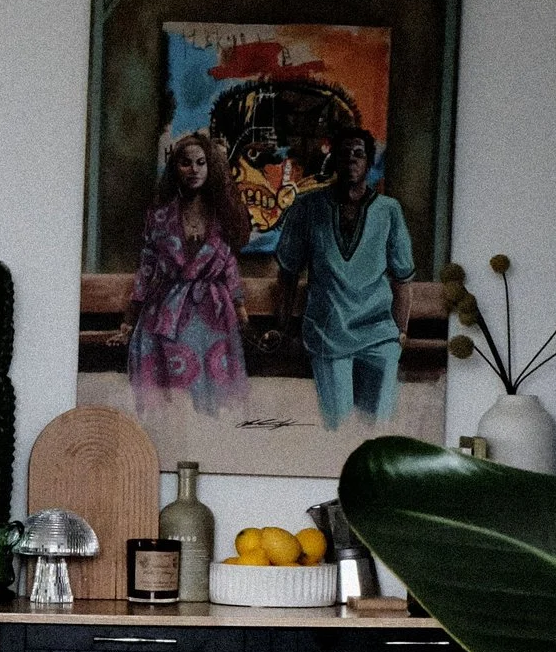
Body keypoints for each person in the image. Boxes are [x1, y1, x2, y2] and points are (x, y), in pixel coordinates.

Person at [273, 126, 416, 428]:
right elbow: (287, 273)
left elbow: (403, 279)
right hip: (328, 333)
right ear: (334, 161)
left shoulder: (389, 211)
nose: (351, 160)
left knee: (377, 430)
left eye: (359, 154)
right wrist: (284, 328)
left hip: (380, 335)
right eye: (344, 153)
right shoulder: (308, 207)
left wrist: (400, 333)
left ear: (368, 163)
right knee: (338, 428)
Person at [127, 128, 252, 416]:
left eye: (201, 163)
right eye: (186, 163)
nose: (193, 170)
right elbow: (146, 266)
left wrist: (240, 305)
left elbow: (230, 265)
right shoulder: (159, 216)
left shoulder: (223, 216)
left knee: (214, 395)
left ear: (210, 167)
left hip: (214, 313)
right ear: (175, 168)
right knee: (174, 396)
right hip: (169, 311)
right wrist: (131, 314)